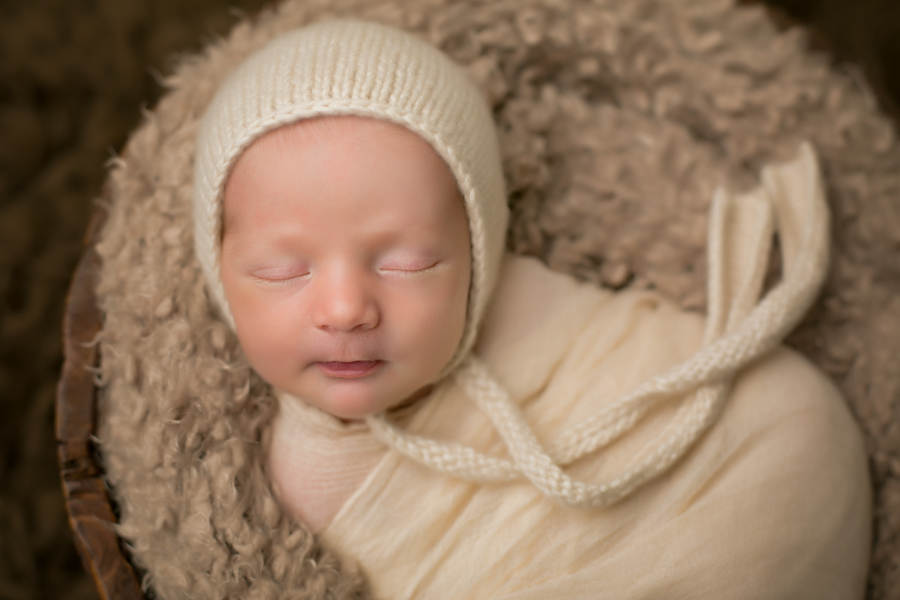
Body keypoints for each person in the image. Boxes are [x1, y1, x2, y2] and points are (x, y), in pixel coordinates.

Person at [193, 18, 871, 599]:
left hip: (768, 453)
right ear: (219, 272)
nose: (345, 309)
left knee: (790, 412)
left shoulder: (532, 309)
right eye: (281, 271)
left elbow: (644, 359)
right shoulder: (269, 490)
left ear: (478, 253)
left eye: (410, 263)